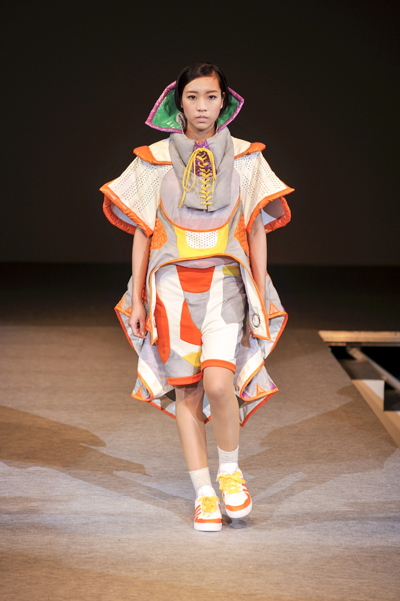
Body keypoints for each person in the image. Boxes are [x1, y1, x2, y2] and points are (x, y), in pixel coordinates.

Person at [100, 62, 294, 531]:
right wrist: (139, 299)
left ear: (224, 102)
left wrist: (259, 291)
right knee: (188, 390)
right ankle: (203, 493)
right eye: (192, 97)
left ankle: (230, 473)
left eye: (211, 97)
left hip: (226, 284)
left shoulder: (247, 158)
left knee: (219, 384)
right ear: (178, 103)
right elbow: (143, 232)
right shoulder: (153, 160)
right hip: (170, 289)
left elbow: (257, 228)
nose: (202, 107)